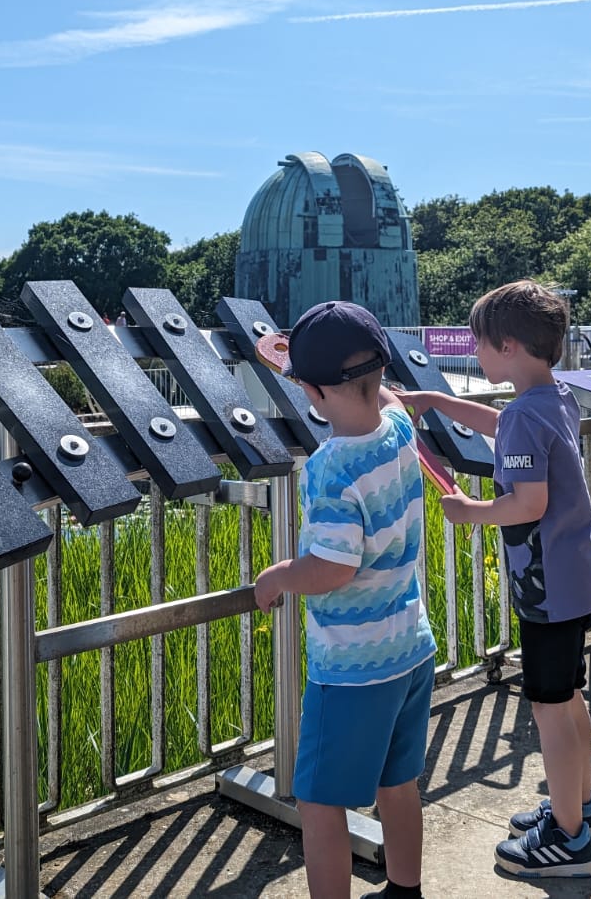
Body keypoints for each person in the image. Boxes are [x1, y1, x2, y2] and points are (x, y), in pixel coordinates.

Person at [397, 280, 591, 879]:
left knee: (548, 709)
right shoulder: (554, 399)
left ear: (507, 346)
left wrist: (471, 512)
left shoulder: (524, 418)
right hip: (575, 580)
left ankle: (567, 842)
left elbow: (529, 502)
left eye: (478, 344)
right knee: (569, 700)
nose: (475, 353)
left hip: (547, 592)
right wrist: (437, 402)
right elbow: (500, 421)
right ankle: (580, 807)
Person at [254, 300, 436, 899]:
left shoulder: (331, 468)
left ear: (310, 389)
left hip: (354, 667)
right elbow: (378, 397)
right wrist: (303, 369)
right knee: (398, 783)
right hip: (410, 647)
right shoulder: (400, 429)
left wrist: (280, 575)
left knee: (320, 803)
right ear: (380, 367)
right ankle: (404, 889)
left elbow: (333, 567)